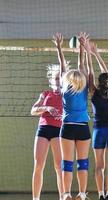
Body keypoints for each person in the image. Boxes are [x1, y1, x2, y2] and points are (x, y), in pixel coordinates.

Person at [80, 36, 108, 200]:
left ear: (98, 82)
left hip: (99, 131)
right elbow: (105, 73)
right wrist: (96, 53)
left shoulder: (93, 93)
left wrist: (88, 53)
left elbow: (90, 72)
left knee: (99, 166)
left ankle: (100, 195)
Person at [52, 32, 91, 200]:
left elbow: (62, 66)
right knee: (83, 164)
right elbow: (81, 64)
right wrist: (82, 46)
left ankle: (66, 194)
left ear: (67, 78)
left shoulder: (64, 88)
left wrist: (59, 47)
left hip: (67, 127)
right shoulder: (83, 86)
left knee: (67, 164)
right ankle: (82, 194)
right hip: (82, 128)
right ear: (80, 78)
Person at [31, 64, 63, 200]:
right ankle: (36, 198)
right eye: (55, 78)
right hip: (43, 129)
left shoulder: (66, 95)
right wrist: (47, 108)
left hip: (58, 130)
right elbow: (33, 110)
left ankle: (63, 197)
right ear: (51, 80)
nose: (58, 81)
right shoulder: (45, 94)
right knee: (38, 166)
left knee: (59, 167)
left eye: (60, 78)